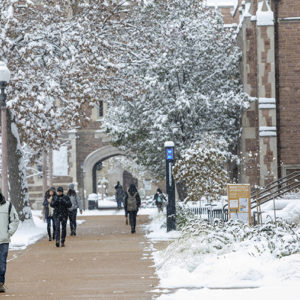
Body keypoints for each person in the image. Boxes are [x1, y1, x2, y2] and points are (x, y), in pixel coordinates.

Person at [0, 192, 19, 293]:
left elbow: (15, 220)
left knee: (2, 264)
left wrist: (9, 232)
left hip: (3, 240)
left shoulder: (8, 206)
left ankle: (0, 283)